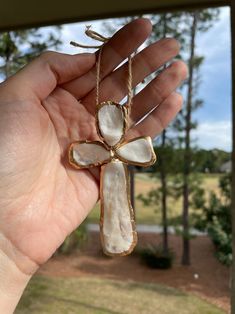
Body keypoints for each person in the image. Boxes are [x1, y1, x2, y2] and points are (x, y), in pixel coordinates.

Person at [0, 18, 187, 313]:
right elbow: (79, 154)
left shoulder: (123, 149)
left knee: (119, 204)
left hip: (113, 167)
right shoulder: (93, 150)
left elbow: (140, 151)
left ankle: (120, 238)